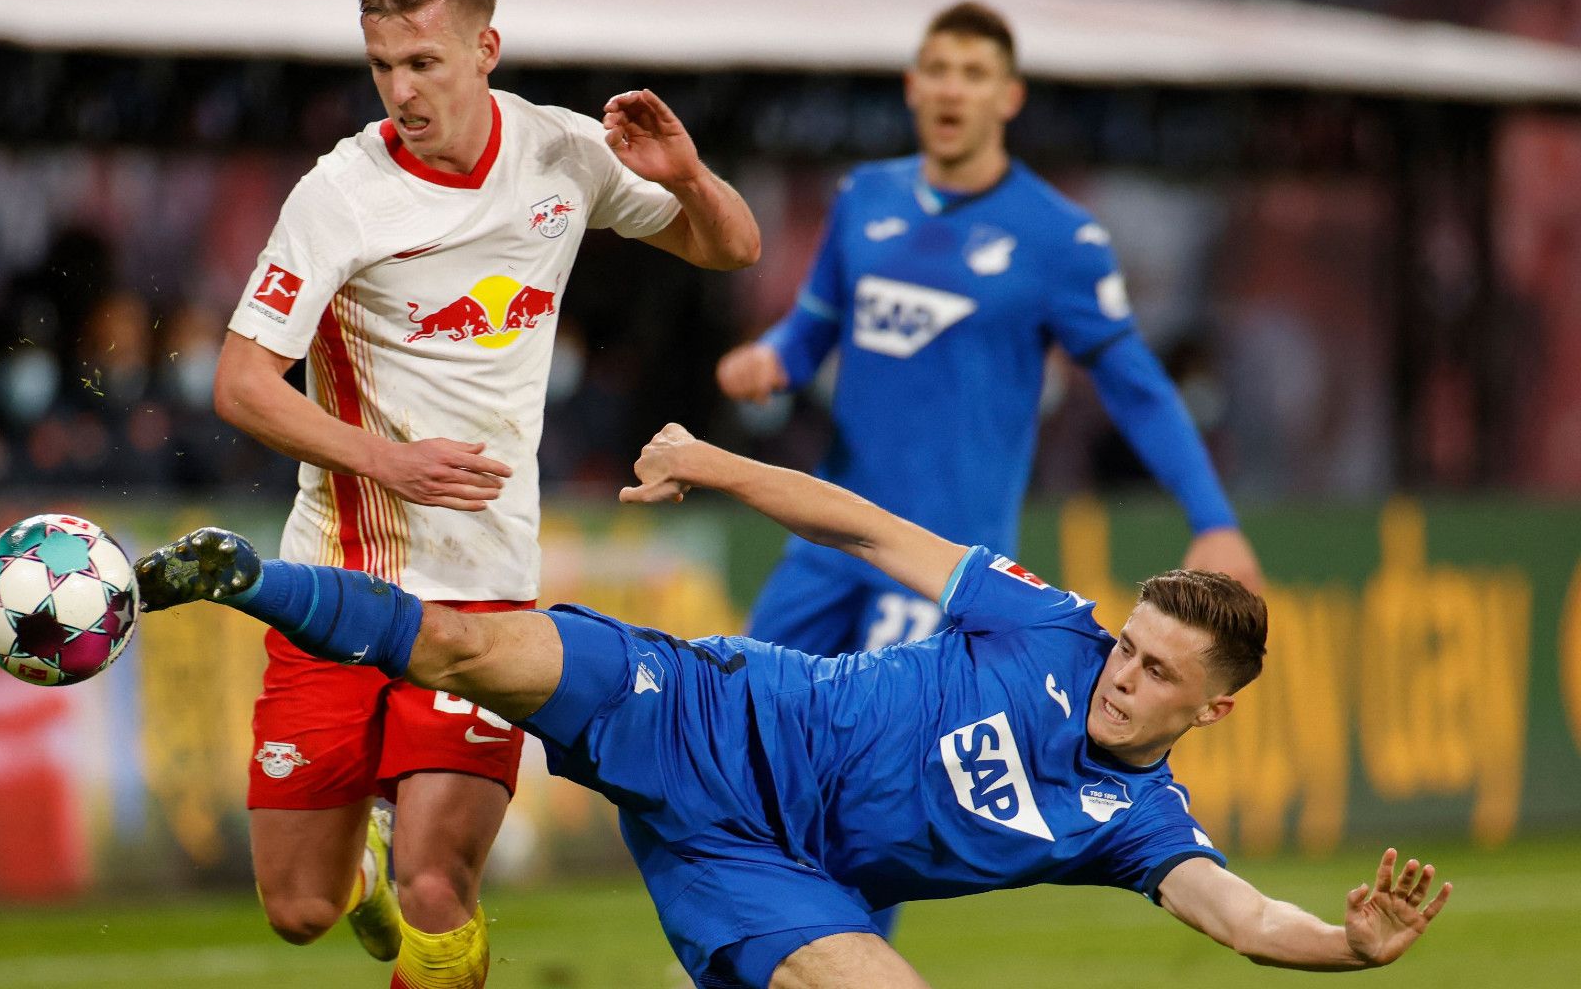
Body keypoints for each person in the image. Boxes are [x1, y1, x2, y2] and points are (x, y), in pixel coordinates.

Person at [133, 424, 1450, 989]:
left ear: (1211, 712)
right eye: (1131, 645)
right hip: (719, 710)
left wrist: (1348, 948)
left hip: (762, 870)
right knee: (475, 656)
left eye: (1160, 674)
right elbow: (871, 530)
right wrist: (711, 463)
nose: (1125, 670)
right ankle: (247, 578)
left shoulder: (1136, 824)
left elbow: (1240, 913)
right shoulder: (1049, 622)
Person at [212, 0, 760, 987]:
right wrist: (387, 462)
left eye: (422, 62)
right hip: (334, 582)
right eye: (382, 65)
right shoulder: (341, 194)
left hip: (484, 598)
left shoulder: (561, 154)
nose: (400, 90)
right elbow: (241, 383)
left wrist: (688, 177)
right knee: (300, 908)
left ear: (483, 50)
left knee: (437, 883)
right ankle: (354, 869)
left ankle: (408, 890)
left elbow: (730, 247)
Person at [717, 1, 1264, 661]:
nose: (953, 88)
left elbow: (1137, 390)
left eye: (974, 73)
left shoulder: (1058, 238)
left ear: (1009, 98)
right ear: (913, 87)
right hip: (825, 541)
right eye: (939, 70)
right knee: (739, 717)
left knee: (877, 750)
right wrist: (770, 359)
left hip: (941, 563)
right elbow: (811, 332)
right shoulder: (865, 197)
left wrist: (1215, 521)